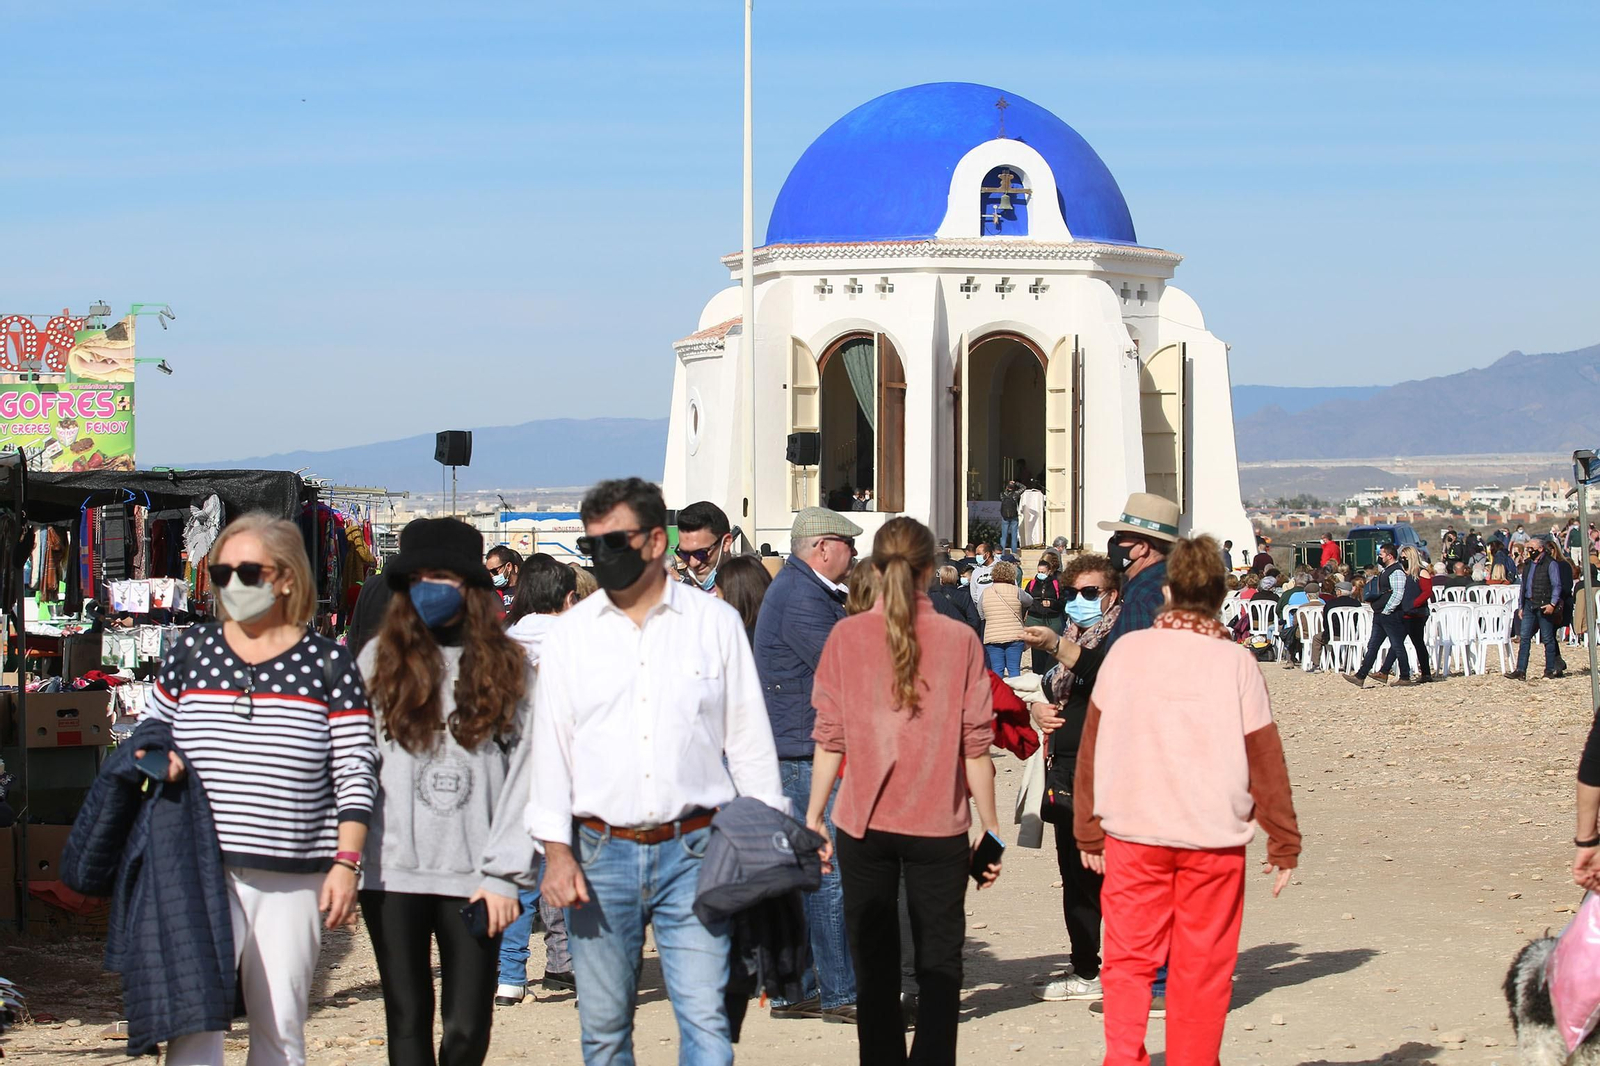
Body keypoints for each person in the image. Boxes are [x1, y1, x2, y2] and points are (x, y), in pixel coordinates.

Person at [529, 478, 788, 1064]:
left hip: (696, 851)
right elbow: (550, 750)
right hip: (597, 854)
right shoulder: (571, 636)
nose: (604, 555)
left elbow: (747, 740)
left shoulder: (713, 624)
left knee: (707, 1023)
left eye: (616, 540)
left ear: (652, 541)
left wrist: (770, 840)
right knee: (604, 1030)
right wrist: (556, 852)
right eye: (593, 545)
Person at [140, 514, 379, 1066]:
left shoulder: (328, 664)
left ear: (287, 578)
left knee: (280, 1027)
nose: (232, 584)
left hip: (292, 875)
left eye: (248, 571)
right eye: (221, 572)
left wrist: (347, 863)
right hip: (196, 870)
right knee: (193, 1028)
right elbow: (145, 743)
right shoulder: (190, 655)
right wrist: (162, 765)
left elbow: (355, 769)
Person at [1074, 534, 1300, 1066]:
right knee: (1203, 965)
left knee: (1128, 960)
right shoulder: (1236, 662)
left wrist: (1088, 826)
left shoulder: (1128, 651)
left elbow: (1094, 745)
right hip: (1211, 837)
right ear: (1221, 596)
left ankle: (1124, 1057)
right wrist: (1283, 840)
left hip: (1135, 830)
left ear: (1170, 592)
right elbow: (1264, 756)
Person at [805, 516, 1001, 1064]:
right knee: (940, 964)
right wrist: (991, 829)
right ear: (931, 570)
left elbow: (830, 738)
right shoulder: (959, 638)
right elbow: (976, 747)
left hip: (863, 822)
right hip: (938, 823)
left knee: (874, 966)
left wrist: (814, 817)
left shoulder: (847, 635)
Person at [359, 518, 538, 1066]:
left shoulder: (511, 670)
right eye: (419, 577)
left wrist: (507, 873)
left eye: (444, 576)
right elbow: (352, 763)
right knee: (406, 1018)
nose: (430, 587)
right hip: (390, 873)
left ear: (471, 585)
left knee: (467, 1028)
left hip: (477, 876)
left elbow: (530, 775)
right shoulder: (375, 664)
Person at [1022, 491, 1182, 1016]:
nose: (1119, 545)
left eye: (1125, 538)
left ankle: (1152, 982)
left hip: (1131, 745)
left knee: (1135, 869)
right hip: (1117, 746)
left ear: (1139, 546)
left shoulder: (1144, 594)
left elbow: (1121, 668)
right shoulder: (1153, 590)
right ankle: (1139, 975)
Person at [752, 506, 862, 1022]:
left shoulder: (804, 590)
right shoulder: (803, 597)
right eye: (849, 545)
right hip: (802, 750)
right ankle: (839, 992)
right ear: (823, 547)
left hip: (796, 746)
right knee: (826, 872)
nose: (855, 554)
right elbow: (845, 668)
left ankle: (798, 988)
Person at [1028, 554, 1122, 1004]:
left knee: (1113, 874)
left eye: (1090, 593)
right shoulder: (1072, 633)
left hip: (1106, 767)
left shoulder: (1122, 634)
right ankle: (1086, 968)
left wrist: (1053, 645)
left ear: (1111, 594)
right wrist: (1037, 710)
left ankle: (1123, 968)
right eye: (1074, 593)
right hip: (1065, 768)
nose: (1080, 602)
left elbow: (1099, 670)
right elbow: (1051, 688)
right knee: (1075, 875)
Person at [498, 555, 580, 1006]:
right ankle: (567, 965)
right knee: (564, 867)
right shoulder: (577, 642)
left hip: (513, 769)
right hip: (566, 769)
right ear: (567, 596)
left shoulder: (505, 642)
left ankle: (510, 976)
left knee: (519, 878)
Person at [1345, 543, 1414, 688]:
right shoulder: (1386, 570)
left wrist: (1387, 609)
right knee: (1373, 645)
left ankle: (1405, 676)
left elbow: (1398, 593)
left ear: (1389, 556)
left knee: (1397, 645)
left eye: (1381, 554)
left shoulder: (1396, 571)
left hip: (1391, 615)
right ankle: (1361, 675)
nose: (1379, 557)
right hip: (1380, 614)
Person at [1510, 534, 1569, 680]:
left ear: (1541, 548)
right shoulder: (1528, 564)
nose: (1529, 550)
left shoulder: (1551, 564)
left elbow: (1557, 585)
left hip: (1544, 604)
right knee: (1524, 638)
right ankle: (1520, 670)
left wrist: (1552, 604)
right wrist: (1521, 606)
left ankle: (1550, 670)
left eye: (1532, 548)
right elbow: (1524, 586)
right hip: (1529, 604)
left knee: (1548, 638)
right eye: (1528, 548)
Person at [980, 560, 1032, 678]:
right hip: (1015, 634)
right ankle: (1014, 694)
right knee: (1014, 670)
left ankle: (998, 696)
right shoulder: (1017, 591)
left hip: (993, 634)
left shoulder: (986, 592)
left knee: (997, 670)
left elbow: (981, 613)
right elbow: (1030, 600)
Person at [713, 553, 774, 645]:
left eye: (718, 596)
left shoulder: (739, 641)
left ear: (734, 597)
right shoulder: (780, 628)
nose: (715, 602)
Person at [675, 500, 735, 592]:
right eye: (684, 554)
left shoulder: (750, 594)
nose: (693, 563)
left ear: (726, 543)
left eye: (701, 553)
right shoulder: (679, 598)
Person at [1023, 551, 1066, 674]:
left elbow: (1063, 602)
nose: (1040, 574)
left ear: (1049, 571)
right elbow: (1026, 601)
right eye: (1039, 572)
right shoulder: (1031, 584)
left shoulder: (1056, 583)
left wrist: (1052, 604)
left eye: (1043, 572)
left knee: (1053, 649)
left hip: (1052, 619)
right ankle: (1038, 675)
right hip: (1035, 618)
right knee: (1037, 651)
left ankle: (1052, 675)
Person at [1399, 545, 1434, 684]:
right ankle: (1391, 670)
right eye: (1401, 557)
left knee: (1418, 642)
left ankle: (1425, 673)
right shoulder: (1402, 572)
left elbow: (1427, 591)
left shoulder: (1421, 572)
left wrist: (1414, 603)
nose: (1402, 560)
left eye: (1404, 558)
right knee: (1398, 642)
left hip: (1417, 613)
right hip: (1404, 612)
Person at [930, 565, 983, 637]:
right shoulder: (965, 595)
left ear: (941, 579)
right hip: (960, 635)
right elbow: (974, 621)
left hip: (940, 636)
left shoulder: (933, 597)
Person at [486, 545, 522, 610]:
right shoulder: (489, 595)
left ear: (508, 566)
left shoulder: (527, 592)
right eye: (488, 572)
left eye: (494, 571)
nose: (491, 576)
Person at [999, 481, 1022, 553]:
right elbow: (1024, 488)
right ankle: (1014, 553)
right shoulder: (1015, 494)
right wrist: (1016, 483)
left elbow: (1002, 498)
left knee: (1004, 536)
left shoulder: (1002, 494)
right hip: (1013, 516)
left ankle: (1001, 553)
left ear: (1007, 487)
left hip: (1005, 517)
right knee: (1014, 536)